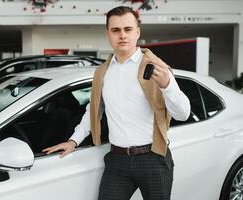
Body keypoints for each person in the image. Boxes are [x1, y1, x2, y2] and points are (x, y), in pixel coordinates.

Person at [43, 6, 190, 200]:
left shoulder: (156, 67)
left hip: (153, 158)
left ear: (137, 32)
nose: (122, 35)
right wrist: (74, 141)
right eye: (116, 30)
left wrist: (167, 85)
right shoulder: (102, 72)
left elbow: (183, 114)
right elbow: (94, 109)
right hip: (117, 161)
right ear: (108, 35)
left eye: (128, 29)